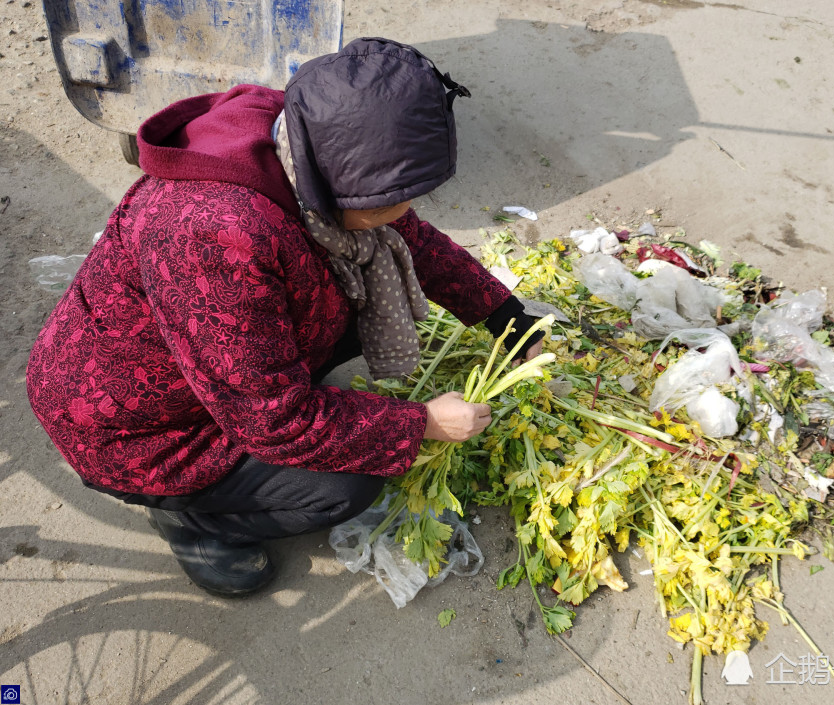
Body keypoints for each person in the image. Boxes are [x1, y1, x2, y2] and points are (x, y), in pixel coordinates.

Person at [26, 38, 543, 597]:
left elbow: (405, 236)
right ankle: (191, 517)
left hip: (215, 360)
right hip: (140, 428)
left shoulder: (308, 138)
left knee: (361, 289)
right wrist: (421, 424)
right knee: (348, 486)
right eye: (391, 201)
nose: (406, 213)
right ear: (337, 184)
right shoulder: (212, 234)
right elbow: (272, 420)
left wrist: (509, 322)